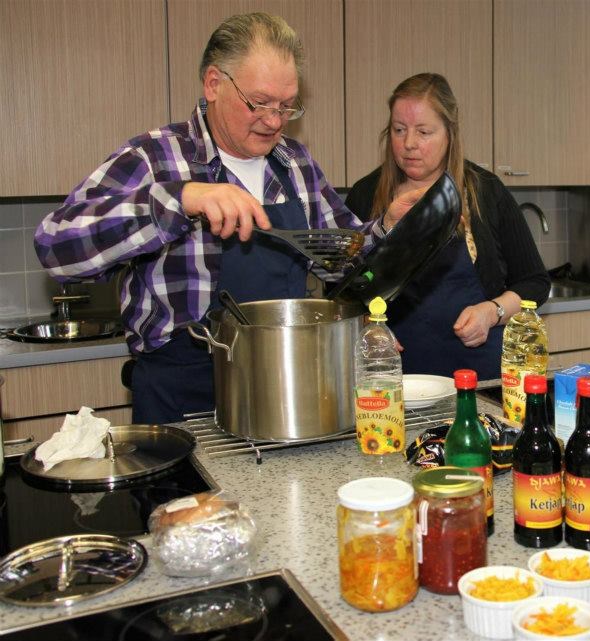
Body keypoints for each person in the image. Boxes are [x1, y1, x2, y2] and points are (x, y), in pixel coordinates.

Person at [34, 13, 418, 424]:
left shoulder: (295, 163)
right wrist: (178, 199)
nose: (274, 121)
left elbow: (343, 256)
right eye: (260, 103)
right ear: (214, 84)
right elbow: (56, 247)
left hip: (285, 388)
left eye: (286, 106)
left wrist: (385, 227)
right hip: (183, 396)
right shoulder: (155, 158)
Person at [345, 73, 550, 380]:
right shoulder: (366, 195)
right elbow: (341, 292)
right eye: (399, 130)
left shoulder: (485, 191)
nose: (409, 143)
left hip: (479, 377)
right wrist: (366, 324)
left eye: (424, 132)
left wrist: (491, 312)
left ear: (450, 134)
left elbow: (535, 282)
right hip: (395, 382)